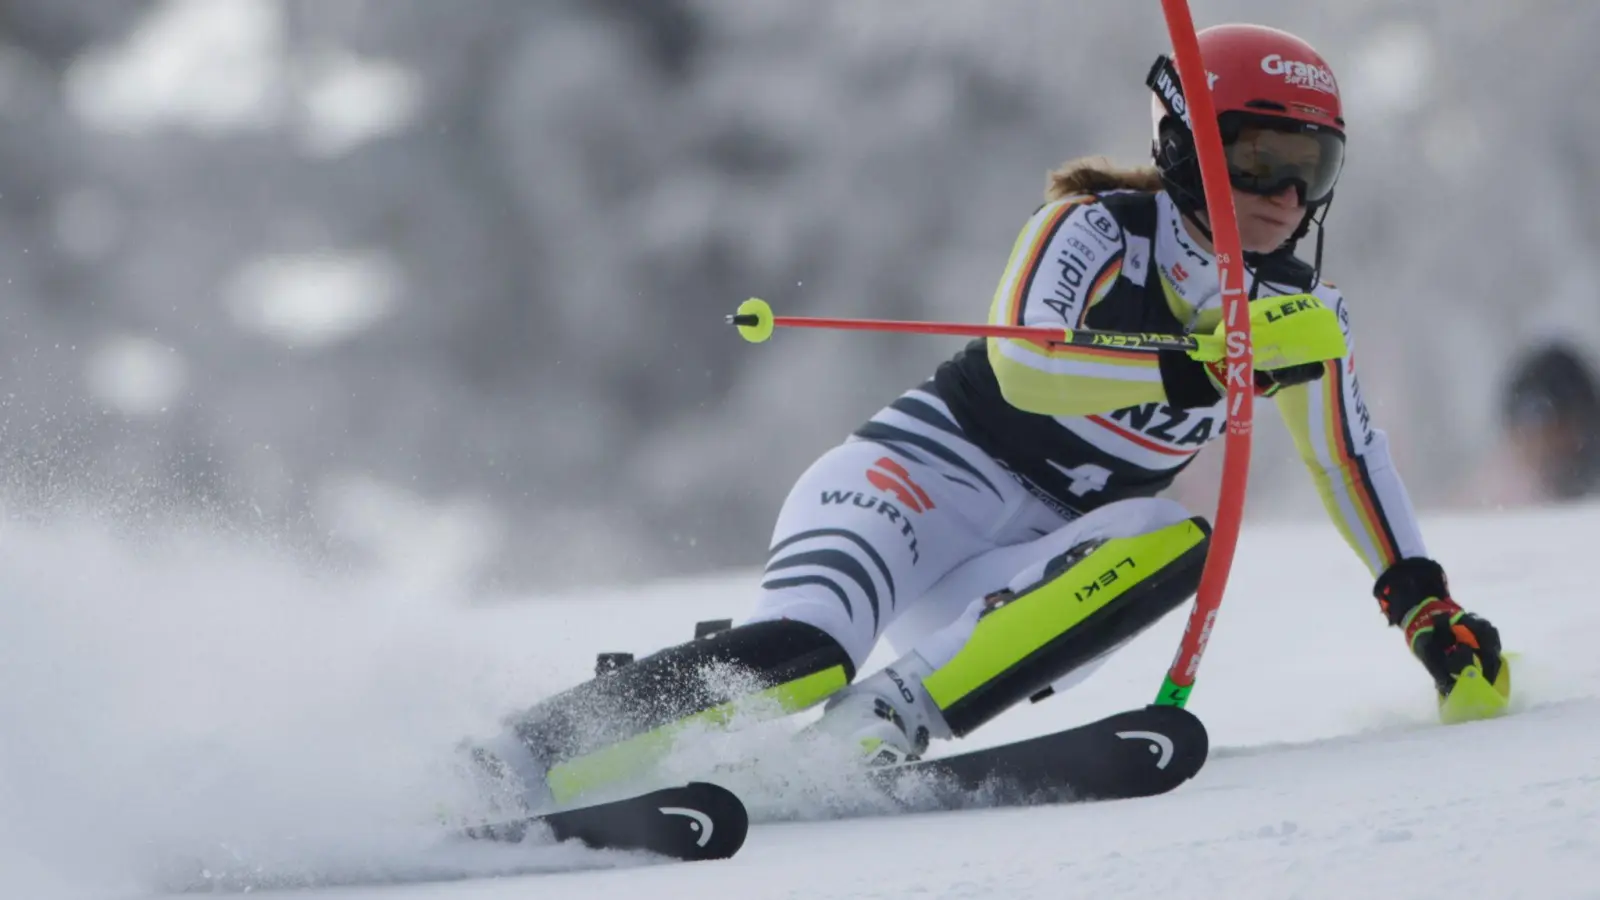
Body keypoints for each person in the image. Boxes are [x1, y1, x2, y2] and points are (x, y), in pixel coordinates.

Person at [469, 23, 1507, 812]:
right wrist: (1186, 371)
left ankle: (877, 731)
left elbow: (1347, 464)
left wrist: (1423, 608)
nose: (1282, 193)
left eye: (1308, 166)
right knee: (803, 653)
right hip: (912, 486)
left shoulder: (1299, 320)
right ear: (1186, 145)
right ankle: (512, 763)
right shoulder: (1095, 229)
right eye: (1255, 159)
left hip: (1030, 567)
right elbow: (1023, 364)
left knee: (1170, 539)